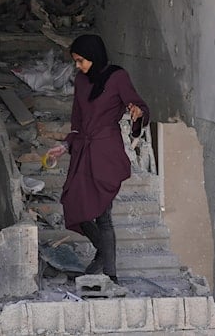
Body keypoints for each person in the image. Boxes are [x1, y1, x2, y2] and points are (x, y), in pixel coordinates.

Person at [46, 34, 149, 281]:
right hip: (83, 150)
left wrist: (137, 113)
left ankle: (110, 275)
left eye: (81, 60)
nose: (78, 66)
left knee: (103, 214)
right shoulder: (81, 81)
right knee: (71, 203)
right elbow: (77, 121)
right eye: (75, 61)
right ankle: (103, 252)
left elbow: (139, 105)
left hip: (106, 151)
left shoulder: (117, 77)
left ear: (94, 56)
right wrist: (65, 145)